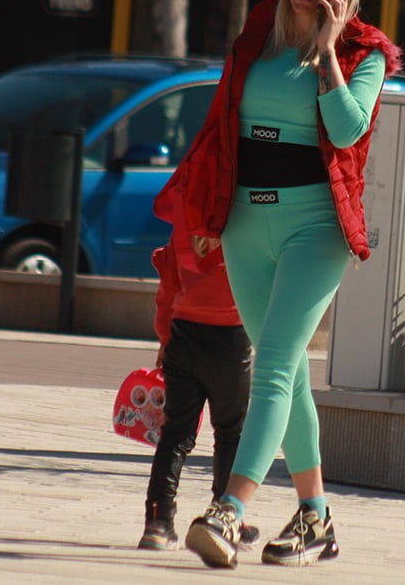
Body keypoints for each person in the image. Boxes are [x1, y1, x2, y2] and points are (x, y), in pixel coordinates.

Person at [155, 0, 402, 569]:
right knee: (286, 373)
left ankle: (228, 511)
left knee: (268, 367)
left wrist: (327, 53)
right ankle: (316, 517)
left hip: (314, 227)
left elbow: (347, 131)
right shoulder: (260, 30)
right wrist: (208, 209)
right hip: (245, 222)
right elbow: (221, 124)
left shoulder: (365, 52)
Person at [138, 186, 256, 551]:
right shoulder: (247, 218)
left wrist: (164, 338)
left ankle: (158, 522)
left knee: (175, 435)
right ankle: (224, 517)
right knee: (231, 433)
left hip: (184, 335)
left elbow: (168, 288)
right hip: (231, 338)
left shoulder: (186, 221)